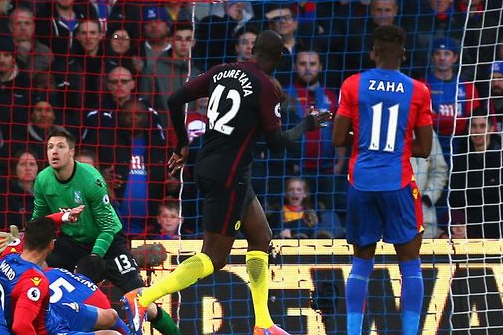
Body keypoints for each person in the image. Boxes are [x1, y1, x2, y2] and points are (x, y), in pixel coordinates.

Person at [123, 30, 331, 335]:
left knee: (261, 236)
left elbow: (174, 98)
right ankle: (144, 297)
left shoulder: (223, 70)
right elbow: (278, 144)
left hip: (213, 166)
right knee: (214, 257)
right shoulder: (265, 87)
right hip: (229, 177)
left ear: (253, 50)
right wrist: (307, 124)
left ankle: (263, 323)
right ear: (277, 58)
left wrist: (182, 143)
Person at [331, 25, 434, 335]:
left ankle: (352, 331)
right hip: (398, 182)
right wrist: (398, 146)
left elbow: (337, 138)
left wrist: (366, 144)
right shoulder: (418, 90)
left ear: (372, 52)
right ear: (403, 54)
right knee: (410, 261)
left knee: (362, 260)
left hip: (361, 182)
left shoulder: (353, 84)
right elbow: (426, 149)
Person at [32, 126, 180, 335]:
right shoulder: (43, 180)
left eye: (60, 146)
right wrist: (23, 241)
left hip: (108, 242)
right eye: (49, 147)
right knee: (35, 269)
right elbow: (40, 221)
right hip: (72, 242)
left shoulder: (91, 178)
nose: (54, 151)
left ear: (72, 152)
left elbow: (108, 226)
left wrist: (94, 258)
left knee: (141, 299)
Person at [0, 214, 119, 335]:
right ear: (51, 245)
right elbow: (20, 326)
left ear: (25, 239)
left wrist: (65, 216)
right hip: (52, 330)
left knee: (112, 316)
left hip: (54, 311)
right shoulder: (35, 281)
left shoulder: (7, 255)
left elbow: (42, 224)